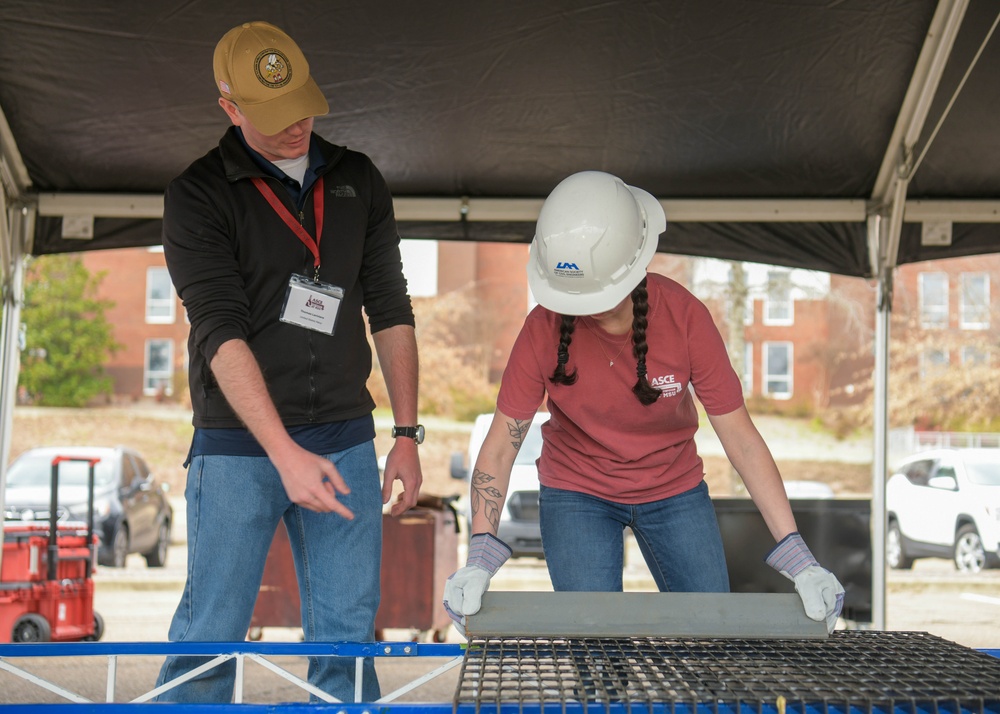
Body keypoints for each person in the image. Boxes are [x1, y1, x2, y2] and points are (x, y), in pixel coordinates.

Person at [443, 170, 844, 633]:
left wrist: (801, 560)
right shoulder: (542, 329)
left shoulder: (685, 317)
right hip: (577, 492)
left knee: (711, 634)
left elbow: (742, 440)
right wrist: (479, 558)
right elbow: (499, 447)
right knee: (593, 645)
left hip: (673, 488)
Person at [154, 21, 423, 703]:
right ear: (230, 109)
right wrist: (284, 453)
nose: (294, 126)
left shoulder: (358, 178)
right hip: (238, 449)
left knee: (347, 637)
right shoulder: (197, 194)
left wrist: (406, 435)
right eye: (271, 117)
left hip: (342, 440)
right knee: (210, 634)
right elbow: (220, 333)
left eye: (301, 105)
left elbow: (390, 309)